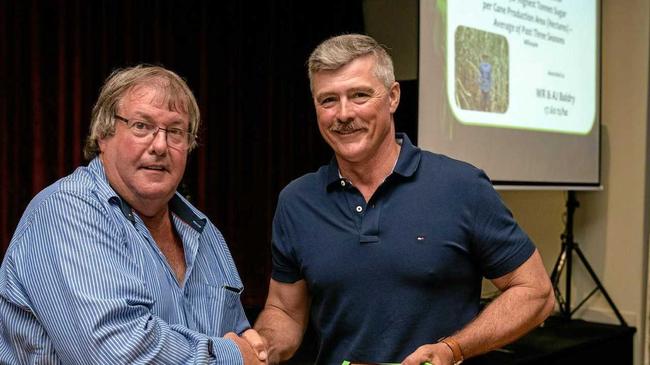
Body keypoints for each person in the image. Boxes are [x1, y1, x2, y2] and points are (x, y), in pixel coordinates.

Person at [251, 34, 554, 364]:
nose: (343, 113)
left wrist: (454, 349)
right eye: (328, 101)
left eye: (360, 95)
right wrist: (261, 346)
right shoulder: (297, 201)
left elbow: (535, 292)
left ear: (393, 97)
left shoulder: (460, 186)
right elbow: (285, 312)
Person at [0, 65, 266, 364]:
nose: (160, 145)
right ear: (103, 134)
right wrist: (231, 357)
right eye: (142, 126)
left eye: (176, 131)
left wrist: (248, 348)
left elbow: (243, 339)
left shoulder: (204, 232)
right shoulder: (66, 210)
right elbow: (115, 351)